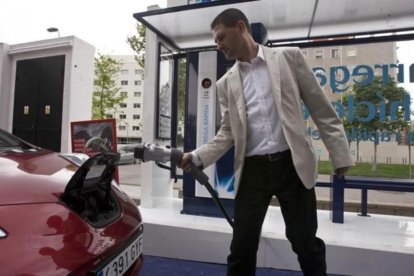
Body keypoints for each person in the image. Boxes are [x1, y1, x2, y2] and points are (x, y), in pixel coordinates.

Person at [179, 8, 354, 276]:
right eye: (215, 41)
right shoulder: (225, 84)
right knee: (241, 248)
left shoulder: (288, 58)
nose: (219, 46)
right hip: (252, 172)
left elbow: (321, 108)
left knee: (305, 242)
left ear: (241, 27)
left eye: (221, 37)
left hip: (292, 166)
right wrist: (198, 156)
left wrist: (340, 155)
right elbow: (227, 132)